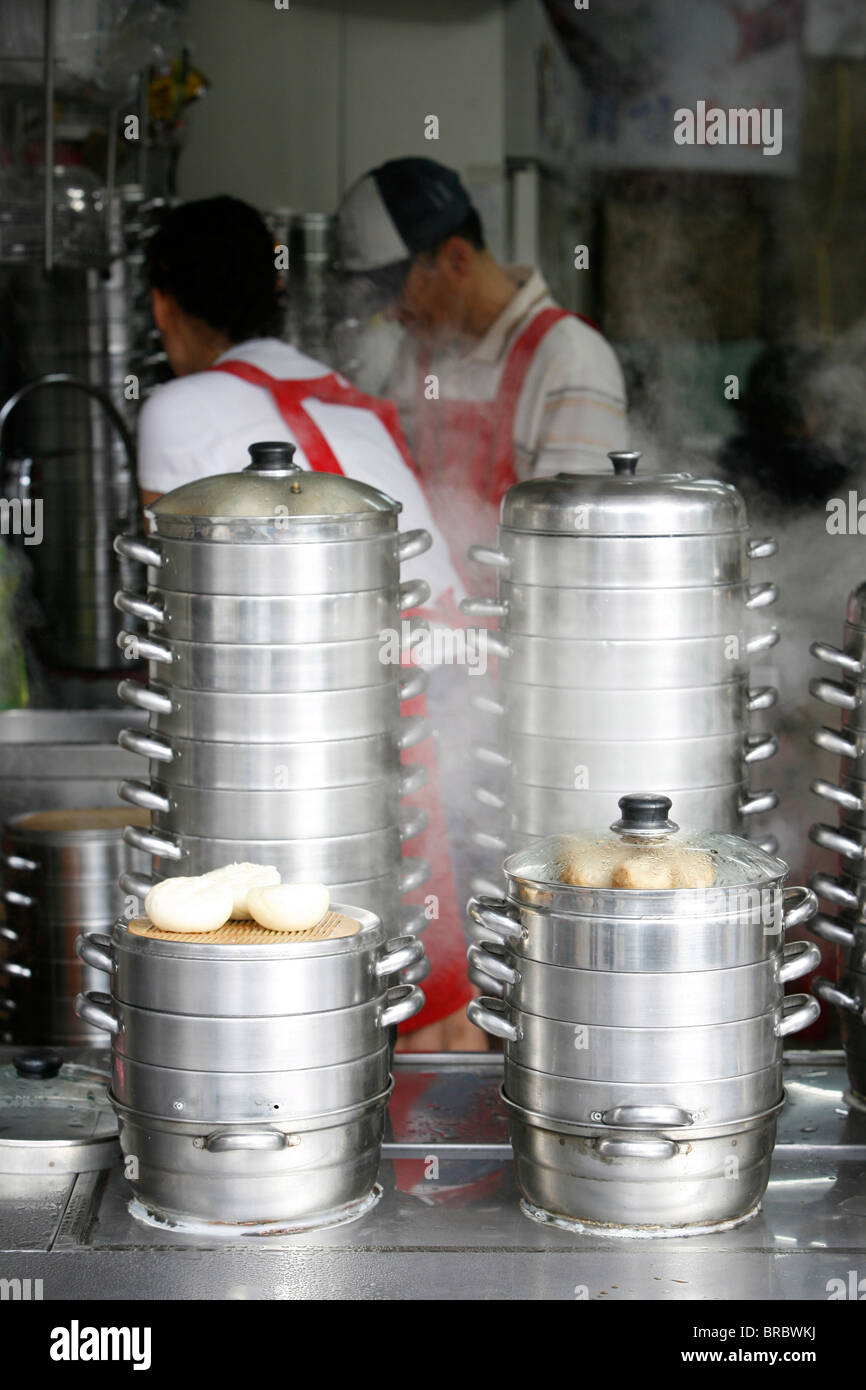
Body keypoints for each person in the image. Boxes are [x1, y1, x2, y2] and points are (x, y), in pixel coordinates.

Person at [137, 195, 479, 1051]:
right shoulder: (350, 404)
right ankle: (439, 1177)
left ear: (160, 306)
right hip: (440, 720)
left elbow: (179, 631)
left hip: (322, 733)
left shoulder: (174, 408)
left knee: (295, 1004)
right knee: (427, 1010)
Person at [336, 157, 629, 576]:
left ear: (456, 259)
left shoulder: (570, 360)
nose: (391, 314)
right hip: (430, 622)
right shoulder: (417, 354)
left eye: (395, 293)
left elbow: (572, 550)